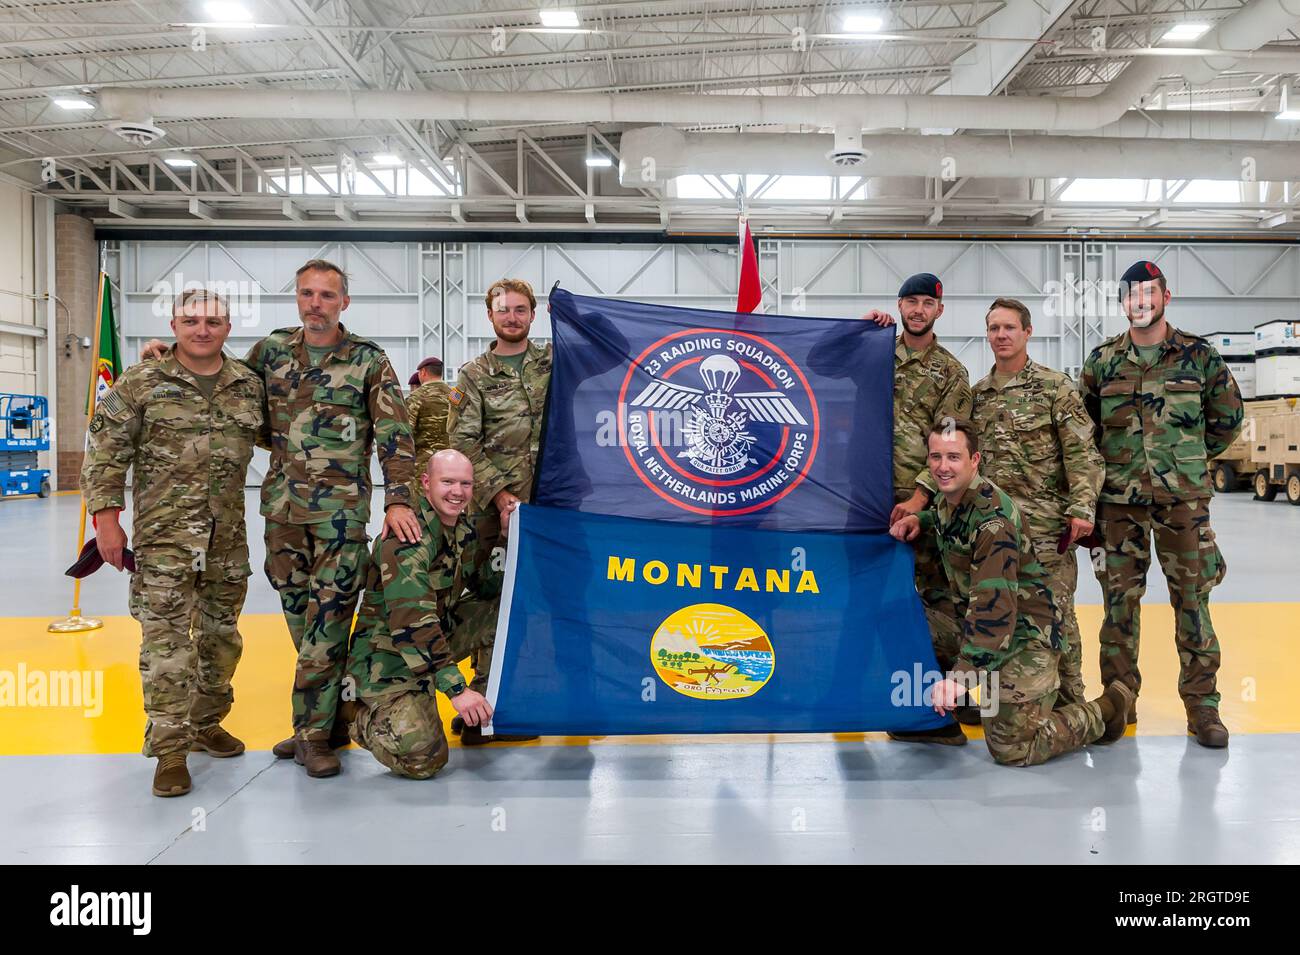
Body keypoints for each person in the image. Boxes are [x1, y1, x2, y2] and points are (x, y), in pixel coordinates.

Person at [141, 259, 420, 776]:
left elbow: (395, 436)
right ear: (297, 298)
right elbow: (221, 380)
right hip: (282, 516)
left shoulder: (367, 359)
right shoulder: (270, 352)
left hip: (341, 518)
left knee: (328, 623)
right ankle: (330, 720)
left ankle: (312, 736)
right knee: (301, 623)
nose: (317, 303)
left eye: (327, 295)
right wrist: (168, 356)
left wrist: (399, 499)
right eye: (308, 294)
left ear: (344, 303)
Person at [82, 289, 265, 797]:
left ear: (228, 327)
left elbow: (281, 435)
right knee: (166, 648)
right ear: (174, 324)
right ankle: (169, 749)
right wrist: (107, 521)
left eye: (212, 321)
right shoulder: (142, 382)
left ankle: (206, 722)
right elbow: (105, 453)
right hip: (164, 540)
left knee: (221, 641)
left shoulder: (247, 386)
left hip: (227, 540)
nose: (201, 329)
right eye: (191, 320)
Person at [889, 420, 1134, 765]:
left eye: (954, 457)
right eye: (936, 457)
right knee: (907, 623)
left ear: (974, 460)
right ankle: (960, 708)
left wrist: (960, 678)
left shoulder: (994, 522)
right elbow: (951, 526)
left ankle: (1107, 708)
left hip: (1023, 636)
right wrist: (922, 521)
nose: (943, 467)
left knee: (1012, 748)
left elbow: (994, 611)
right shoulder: (951, 499)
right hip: (981, 627)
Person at [1078, 260, 1243, 748]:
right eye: (1132, 294)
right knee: (1118, 608)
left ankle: (1202, 708)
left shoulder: (1199, 357)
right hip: (1118, 507)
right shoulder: (1102, 362)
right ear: (1123, 302)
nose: (1140, 301)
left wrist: (1187, 462)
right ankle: (1119, 700)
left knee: (1193, 603)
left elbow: (1228, 418)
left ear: (1165, 298)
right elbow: (1085, 430)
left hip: (1183, 506)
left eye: (1149, 292)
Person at [916, 298, 1103, 721]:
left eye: (1009, 328)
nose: (1001, 335)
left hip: (1044, 529)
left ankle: (1071, 701)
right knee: (984, 608)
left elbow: (1082, 454)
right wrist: (922, 497)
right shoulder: (976, 396)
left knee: (1055, 615)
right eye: (994, 328)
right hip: (986, 526)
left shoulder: (1055, 388)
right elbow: (951, 452)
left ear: (1027, 332)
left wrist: (1082, 508)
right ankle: (987, 695)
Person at [341, 449, 504, 777]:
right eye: (448, 482)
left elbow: (487, 587)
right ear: (426, 483)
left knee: (505, 610)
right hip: (389, 660)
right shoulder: (408, 536)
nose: (457, 492)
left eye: (465, 484)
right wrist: (456, 690)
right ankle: (354, 712)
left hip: (433, 643)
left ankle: (485, 705)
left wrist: (503, 535)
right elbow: (412, 622)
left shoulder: (462, 530)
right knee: (425, 760)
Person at [864, 272, 973, 744]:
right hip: (866, 504)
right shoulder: (873, 353)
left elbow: (949, 449)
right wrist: (858, 331)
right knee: (872, 602)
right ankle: (869, 695)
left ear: (939, 311)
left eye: (926, 302)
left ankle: (943, 708)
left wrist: (919, 498)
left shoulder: (951, 373)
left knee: (938, 603)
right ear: (899, 305)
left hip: (922, 507)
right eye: (910, 301)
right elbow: (816, 366)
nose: (917, 309)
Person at [446, 277, 550, 743]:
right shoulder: (474, 376)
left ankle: (525, 694)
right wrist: (503, 495)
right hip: (494, 514)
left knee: (542, 602)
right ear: (490, 316)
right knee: (495, 599)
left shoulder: (553, 364)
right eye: (503, 309)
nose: (512, 317)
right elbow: (461, 441)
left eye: (521, 309)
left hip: (550, 509)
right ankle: (485, 709)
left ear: (534, 314)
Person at [406, 356, 453, 479]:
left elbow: (406, 431)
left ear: (423, 372)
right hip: (452, 461)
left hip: (424, 464)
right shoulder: (455, 395)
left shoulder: (416, 397)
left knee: (423, 497)